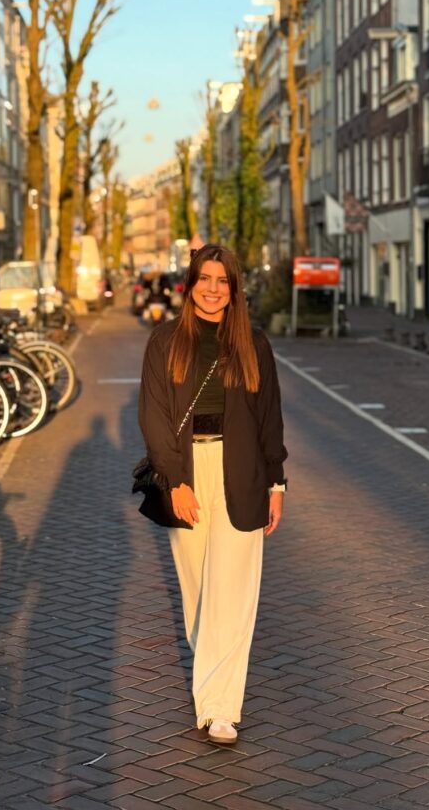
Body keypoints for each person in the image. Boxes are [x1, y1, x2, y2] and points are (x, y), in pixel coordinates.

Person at [138, 244, 288, 745]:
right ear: (191, 283)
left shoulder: (254, 344)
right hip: (188, 472)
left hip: (242, 470)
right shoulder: (164, 341)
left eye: (223, 281)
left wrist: (277, 482)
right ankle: (212, 686)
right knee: (198, 592)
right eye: (205, 278)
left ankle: (221, 707)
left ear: (234, 288)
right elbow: (154, 417)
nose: (213, 289)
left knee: (234, 591)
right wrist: (175, 479)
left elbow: (269, 418)